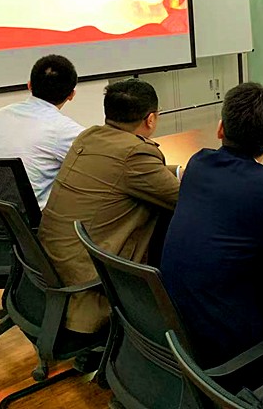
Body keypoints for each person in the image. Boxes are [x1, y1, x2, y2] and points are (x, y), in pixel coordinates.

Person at [160, 82, 263, 368]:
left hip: (174, 324)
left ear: (220, 129)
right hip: (224, 342)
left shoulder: (198, 163)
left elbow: (234, 224)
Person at [39, 79, 181, 334]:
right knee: (172, 220)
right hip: (89, 282)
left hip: (51, 267)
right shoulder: (136, 153)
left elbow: (122, 173)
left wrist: (177, 171)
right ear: (151, 119)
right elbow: (183, 199)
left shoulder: (90, 136)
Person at [0, 54, 84, 209]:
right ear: (71, 95)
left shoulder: (1, 114)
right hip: (33, 219)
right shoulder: (64, 130)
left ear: (29, 85)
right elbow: (102, 164)